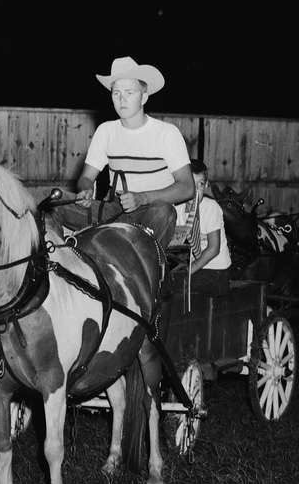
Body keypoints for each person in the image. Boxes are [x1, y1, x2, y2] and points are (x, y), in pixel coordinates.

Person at [56, 56, 194, 250]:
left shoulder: (167, 133)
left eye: (129, 92)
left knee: (164, 211)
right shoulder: (106, 131)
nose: (122, 99)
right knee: (54, 202)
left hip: (150, 212)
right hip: (113, 209)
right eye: (116, 93)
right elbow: (86, 177)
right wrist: (85, 189)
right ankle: (58, 267)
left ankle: (143, 266)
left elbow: (188, 187)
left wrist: (143, 198)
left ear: (144, 97)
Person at [169, 159, 231, 301]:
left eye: (200, 185)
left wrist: (188, 271)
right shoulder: (178, 208)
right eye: (191, 185)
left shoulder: (211, 207)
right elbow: (175, 242)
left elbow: (213, 248)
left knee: (179, 288)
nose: (196, 191)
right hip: (193, 267)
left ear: (207, 185)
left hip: (216, 270)